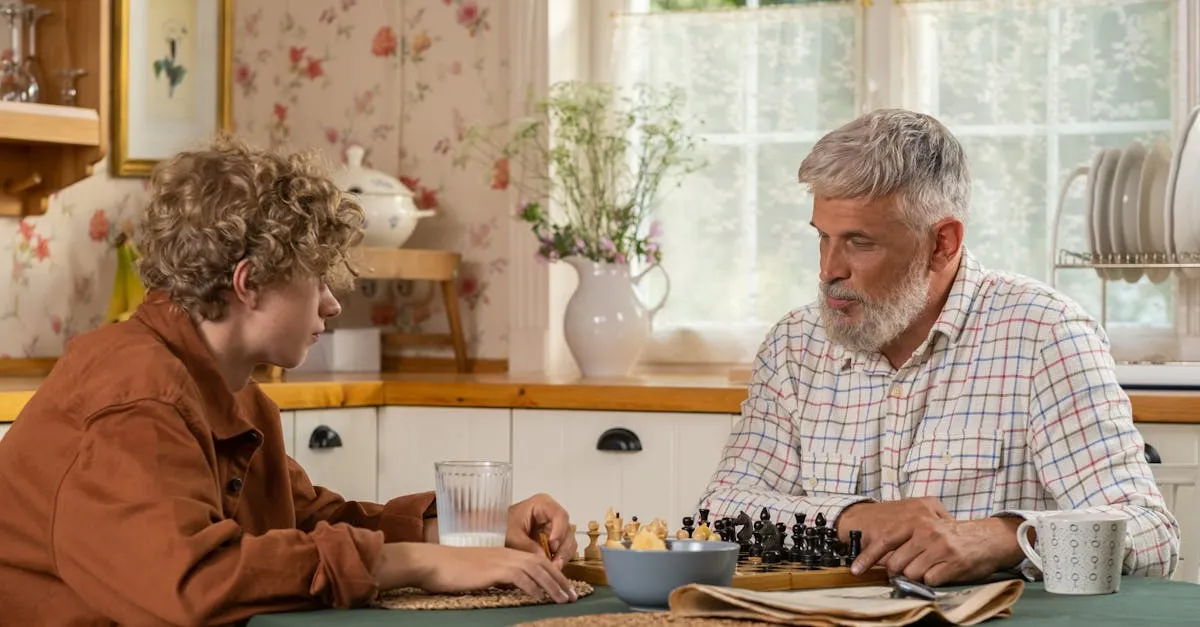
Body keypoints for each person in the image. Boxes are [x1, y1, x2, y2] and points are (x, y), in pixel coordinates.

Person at [0, 136, 579, 625]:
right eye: (316, 280)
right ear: (248, 283)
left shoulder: (233, 395)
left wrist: (461, 534)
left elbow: (307, 523)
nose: (331, 304)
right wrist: (414, 563)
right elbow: (192, 581)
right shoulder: (135, 392)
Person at [697, 108, 1180, 586]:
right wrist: (852, 518)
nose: (828, 270)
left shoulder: (1045, 336)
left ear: (942, 243)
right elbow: (718, 512)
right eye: (823, 237)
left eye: (860, 242)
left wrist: (1004, 537)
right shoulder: (794, 345)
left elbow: (1150, 535)